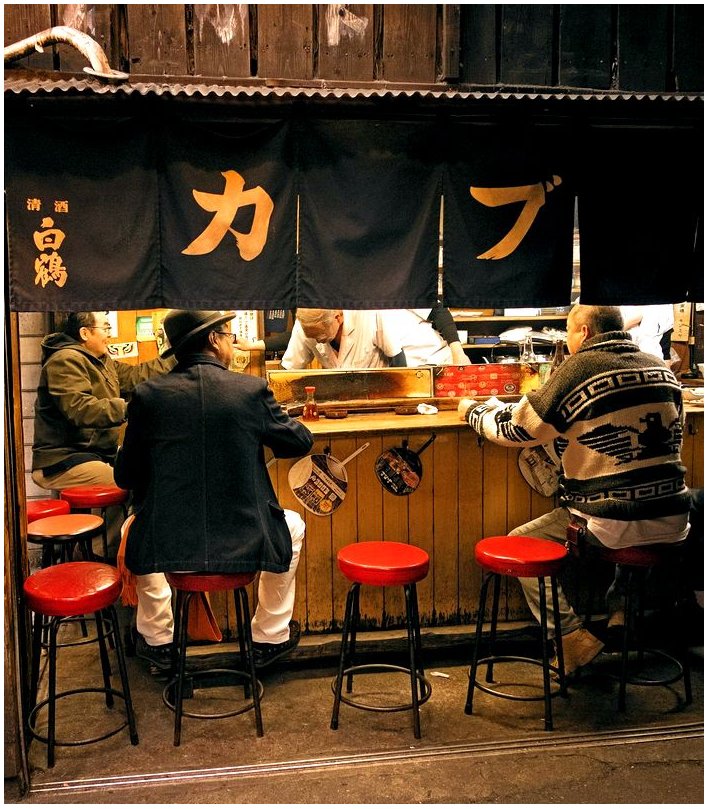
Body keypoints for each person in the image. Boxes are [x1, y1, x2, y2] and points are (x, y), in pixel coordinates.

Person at [458, 304, 691, 676]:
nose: (566, 340)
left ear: (584, 332)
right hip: (675, 520)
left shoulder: (579, 368)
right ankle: (621, 615)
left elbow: (516, 430)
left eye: (567, 332)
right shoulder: (659, 367)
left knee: (522, 542)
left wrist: (472, 411)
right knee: (636, 528)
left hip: (612, 523)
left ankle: (570, 637)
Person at [114, 309, 314, 670]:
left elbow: (125, 476)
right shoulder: (250, 390)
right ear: (213, 340)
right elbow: (298, 443)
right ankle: (269, 636)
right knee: (294, 526)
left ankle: (158, 640)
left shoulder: (147, 395)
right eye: (228, 336)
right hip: (244, 537)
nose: (231, 344)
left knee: (134, 527)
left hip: (170, 541)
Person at [31, 311, 176, 551]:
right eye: (106, 328)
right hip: (63, 459)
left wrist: (178, 354)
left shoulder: (101, 360)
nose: (109, 334)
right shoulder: (65, 360)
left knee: (142, 471)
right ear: (85, 333)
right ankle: (99, 554)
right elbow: (80, 409)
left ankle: (98, 549)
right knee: (128, 482)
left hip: (94, 455)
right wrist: (128, 408)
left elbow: (137, 376)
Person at [280, 305, 469, 370]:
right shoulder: (306, 323)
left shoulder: (370, 311)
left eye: (321, 334)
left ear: (338, 317)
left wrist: (458, 352)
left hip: (432, 361)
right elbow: (290, 366)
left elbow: (438, 310)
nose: (317, 340)